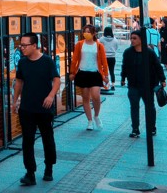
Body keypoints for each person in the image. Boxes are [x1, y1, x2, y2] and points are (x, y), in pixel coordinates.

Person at [12, 32, 60, 186]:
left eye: (24, 45)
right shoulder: (22, 63)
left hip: (44, 108)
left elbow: (57, 80)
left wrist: (51, 96)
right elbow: (19, 82)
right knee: (27, 141)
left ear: (34, 45)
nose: (22, 48)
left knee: (47, 138)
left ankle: (49, 168)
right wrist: (15, 101)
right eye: (21, 45)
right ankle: (30, 173)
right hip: (27, 108)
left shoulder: (47, 61)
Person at [121, 30, 166, 138]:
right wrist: (123, 78)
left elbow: (157, 66)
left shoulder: (149, 53)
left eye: (134, 38)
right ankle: (135, 129)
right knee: (134, 107)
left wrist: (162, 79)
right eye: (131, 38)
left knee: (149, 107)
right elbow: (125, 66)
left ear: (141, 39)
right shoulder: (128, 52)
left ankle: (152, 128)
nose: (132, 40)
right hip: (133, 84)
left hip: (148, 85)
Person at [70, 24, 110, 130]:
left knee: (96, 96)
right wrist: (72, 72)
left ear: (94, 33)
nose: (86, 33)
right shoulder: (79, 44)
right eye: (85, 31)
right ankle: (89, 121)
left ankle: (96, 115)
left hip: (95, 73)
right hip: (83, 73)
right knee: (85, 97)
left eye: (88, 31)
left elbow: (104, 61)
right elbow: (74, 59)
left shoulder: (99, 45)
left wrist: (106, 75)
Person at [99, 26, 119, 96]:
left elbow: (99, 47)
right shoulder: (115, 40)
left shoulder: (101, 39)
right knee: (112, 71)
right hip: (112, 57)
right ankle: (113, 85)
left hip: (104, 57)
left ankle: (104, 84)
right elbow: (116, 47)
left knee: (103, 71)